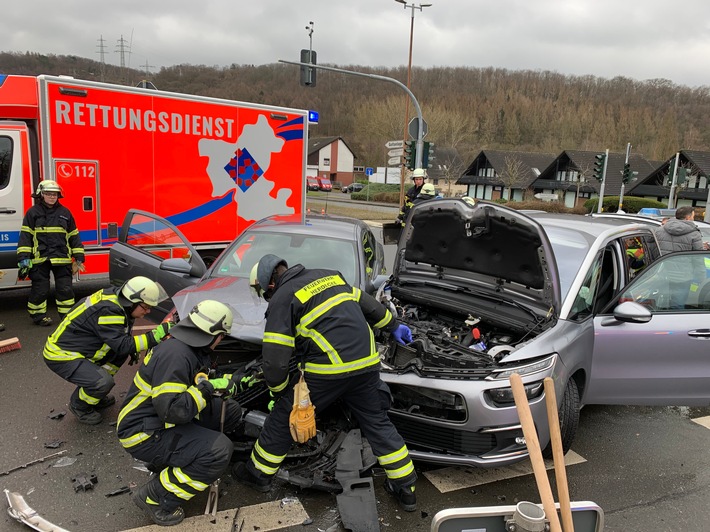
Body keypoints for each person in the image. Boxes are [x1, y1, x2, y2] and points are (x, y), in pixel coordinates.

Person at [233, 254, 419, 512]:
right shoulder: (329, 275)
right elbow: (370, 306)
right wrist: (393, 325)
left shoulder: (284, 297)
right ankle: (406, 487)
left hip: (328, 370)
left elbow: (275, 362)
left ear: (270, 284)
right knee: (377, 422)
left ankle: (258, 474)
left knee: (285, 417)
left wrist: (279, 392)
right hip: (366, 364)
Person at [117, 300, 246, 527]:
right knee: (218, 451)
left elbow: (188, 388)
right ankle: (155, 497)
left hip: (156, 420)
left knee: (231, 410)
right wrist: (206, 388)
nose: (222, 340)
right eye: (222, 336)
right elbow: (173, 411)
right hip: (142, 432)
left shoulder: (187, 347)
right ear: (212, 334)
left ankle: (193, 460)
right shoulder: (177, 356)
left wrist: (219, 384)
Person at [43, 276, 171, 425]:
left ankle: (95, 391)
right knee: (103, 381)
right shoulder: (109, 310)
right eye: (146, 307)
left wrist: (132, 346)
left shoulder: (119, 300)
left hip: (79, 347)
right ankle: (80, 405)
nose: (148, 311)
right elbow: (122, 344)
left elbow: (120, 334)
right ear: (132, 302)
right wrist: (156, 335)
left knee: (121, 354)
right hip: (61, 355)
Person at [17, 180, 85, 326]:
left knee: (65, 290)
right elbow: (25, 237)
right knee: (40, 290)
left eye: (54, 194)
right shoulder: (32, 213)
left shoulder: (65, 213)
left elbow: (74, 235)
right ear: (41, 195)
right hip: (39, 260)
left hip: (62, 259)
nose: (52, 197)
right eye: (48, 194)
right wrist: (23, 259)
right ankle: (38, 316)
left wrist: (79, 258)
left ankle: (67, 318)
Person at [653, 206, 704, 308]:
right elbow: (698, 257)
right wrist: (700, 276)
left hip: (663, 273)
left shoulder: (659, 230)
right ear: (688, 217)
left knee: (659, 305)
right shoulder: (694, 234)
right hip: (684, 276)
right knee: (677, 306)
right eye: (693, 216)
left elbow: (653, 249)